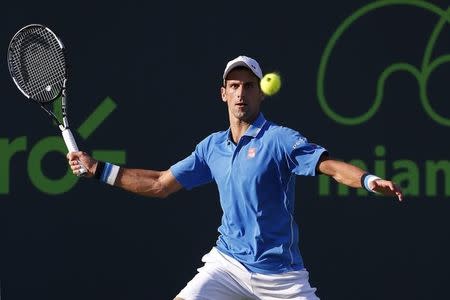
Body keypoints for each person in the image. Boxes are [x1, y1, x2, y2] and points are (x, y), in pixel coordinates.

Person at [67, 55, 403, 300]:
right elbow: (160, 184)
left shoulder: (280, 140)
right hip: (228, 264)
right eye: (234, 86)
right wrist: (98, 169)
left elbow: (330, 167)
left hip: (282, 278)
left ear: (260, 93)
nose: (241, 93)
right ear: (223, 93)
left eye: (248, 86)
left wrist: (368, 180)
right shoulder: (211, 147)